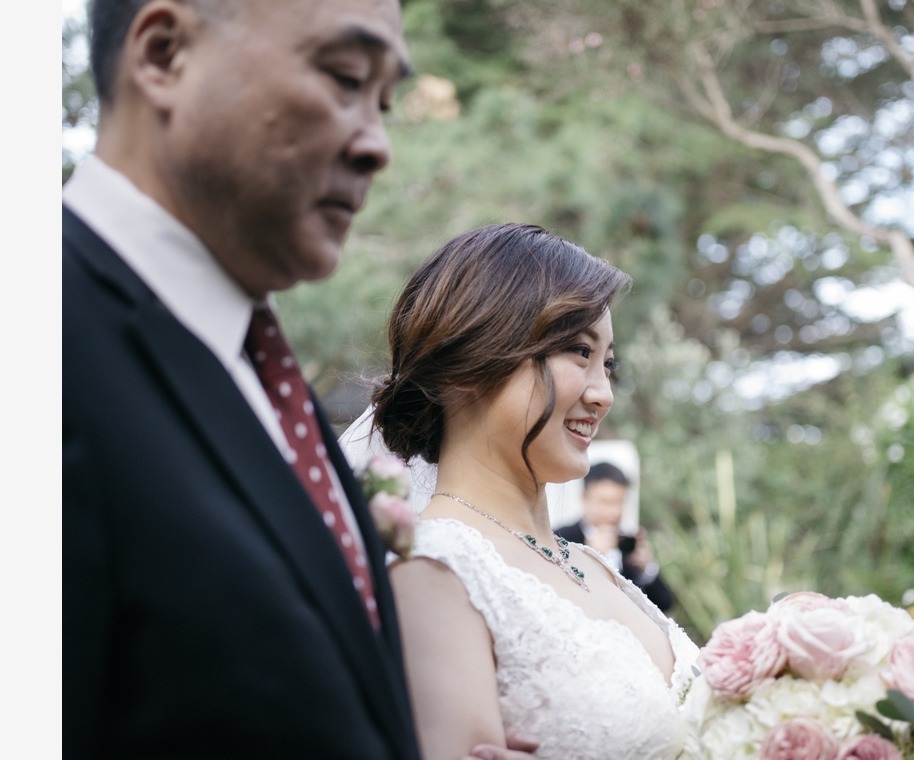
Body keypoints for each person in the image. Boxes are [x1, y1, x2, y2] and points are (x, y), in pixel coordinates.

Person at [63, 1, 535, 758]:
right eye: (344, 78)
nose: (378, 145)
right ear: (163, 55)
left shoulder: (265, 383)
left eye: (384, 102)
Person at [347, 222, 700, 760]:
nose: (603, 394)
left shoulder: (591, 563)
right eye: (579, 351)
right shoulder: (434, 570)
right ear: (469, 362)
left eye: (607, 363)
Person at [555, 462, 676, 613]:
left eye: (619, 501)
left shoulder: (628, 542)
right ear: (585, 499)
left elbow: (665, 604)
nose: (614, 511)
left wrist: (646, 569)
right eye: (605, 502)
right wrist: (589, 557)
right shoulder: (561, 538)